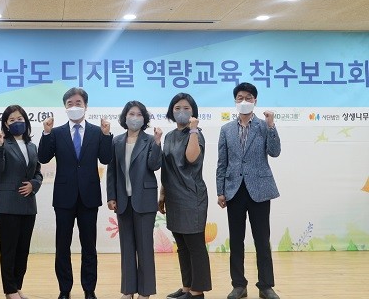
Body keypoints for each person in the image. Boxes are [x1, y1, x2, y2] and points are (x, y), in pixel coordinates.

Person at [38, 87, 113, 299]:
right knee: (62, 246)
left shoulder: (97, 132)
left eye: (78, 103)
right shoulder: (56, 132)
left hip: (89, 196)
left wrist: (106, 135)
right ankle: (65, 290)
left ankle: (89, 290)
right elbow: (43, 157)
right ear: (64, 107)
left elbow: (106, 158)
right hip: (64, 197)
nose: (74, 107)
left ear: (86, 106)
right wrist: (46, 133)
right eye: (69, 103)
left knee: (89, 246)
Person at [216, 82, 281, 299]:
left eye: (249, 97)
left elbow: (275, 152)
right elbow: (222, 163)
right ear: (235, 101)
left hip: (259, 189)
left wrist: (271, 126)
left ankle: (266, 286)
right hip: (234, 190)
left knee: (262, 240)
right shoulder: (226, 129)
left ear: (255, 101)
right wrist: (220, 191)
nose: (244, 101)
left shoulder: (264, 125)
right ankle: (239, 285)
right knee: (236, 241)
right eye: (240, 97)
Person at [106, 100, 162, 299]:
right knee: (127, 247)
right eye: (131, 114)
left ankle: (145, 292)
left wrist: (157, 143)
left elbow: (155, 165)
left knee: (145, 247)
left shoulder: (150, 140)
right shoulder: (116, 141)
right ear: (125, 117)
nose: (135, 118)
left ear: (144, 119)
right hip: (123, 201)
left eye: (139, 115)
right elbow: (111, 171)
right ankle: (128, 290)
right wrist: (111, 196)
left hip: (144, 200)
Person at [159, 93, 212, 299]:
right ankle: (187, 287)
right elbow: (166, 168)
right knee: (181, 245)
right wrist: (162, 193)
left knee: (195, 245)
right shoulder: (169, 136)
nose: (181, 112)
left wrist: (193, 129)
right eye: (177, 108)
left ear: (194, 112)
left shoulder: (196, 134)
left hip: (192, 197)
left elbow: (191, 158)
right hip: (173, 196)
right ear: (171, 111)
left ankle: (198, 291)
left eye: (186, 108)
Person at [0, 105, 43, 299]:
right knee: (9, 250)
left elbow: (37, 172)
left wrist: (34, 184)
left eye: (19, 118)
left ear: (26, 121)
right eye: (12, 120)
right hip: (8, 205)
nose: (16, 122)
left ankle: (17, 286)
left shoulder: (32, 146)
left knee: (23, 250)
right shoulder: (2, 144)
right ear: (6, 124)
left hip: (28, 205)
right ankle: (10, 290)